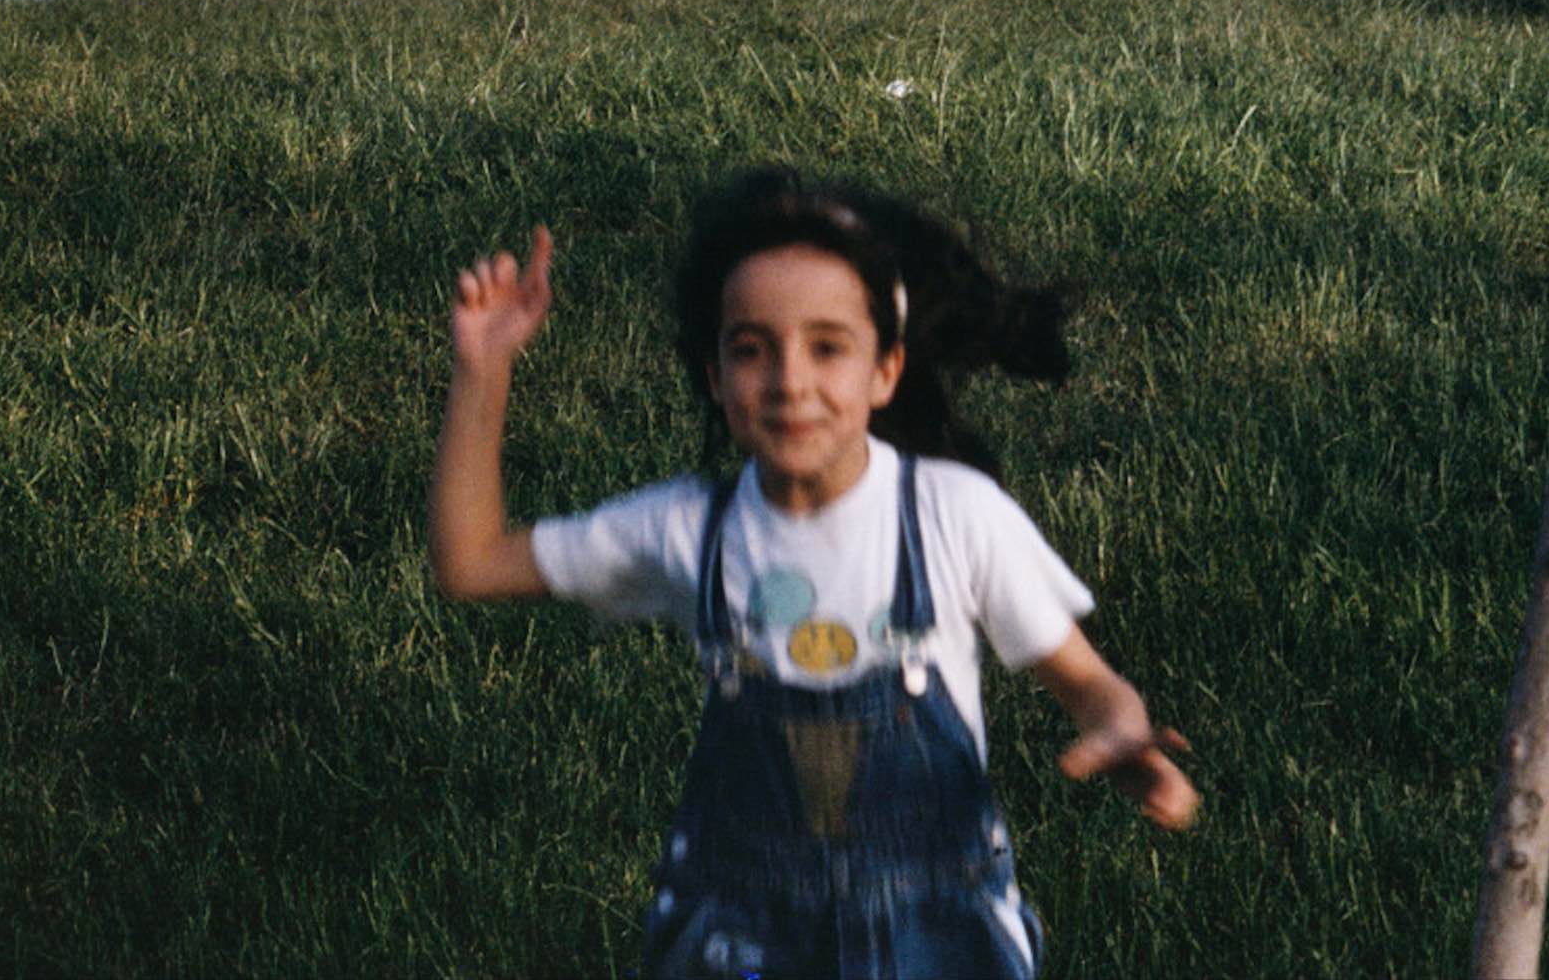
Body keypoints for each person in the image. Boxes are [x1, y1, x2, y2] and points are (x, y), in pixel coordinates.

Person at [429, 169, 1198, 980]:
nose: (790, 380)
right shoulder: (688, 530)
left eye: (827, 347)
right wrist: (484, 369)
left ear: (885, 369)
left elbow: (1086, 681)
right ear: (715, 375)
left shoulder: (953, 516)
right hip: (742, 934)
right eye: (750, 348)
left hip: (935, 933)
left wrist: (1120, 726)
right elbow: (471, 562)